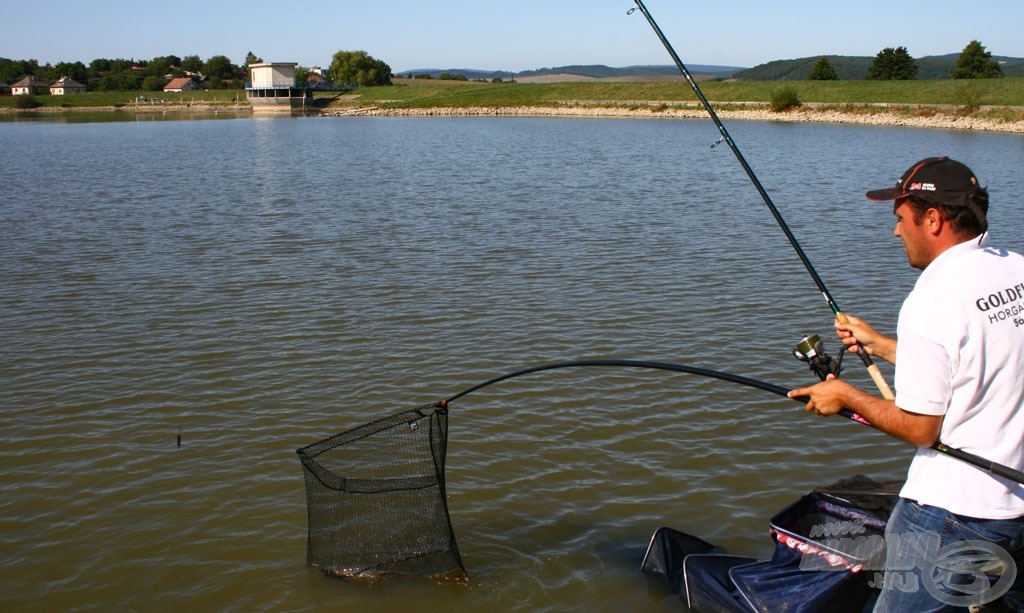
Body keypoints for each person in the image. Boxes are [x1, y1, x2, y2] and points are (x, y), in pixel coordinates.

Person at [788, 156, 1024, 611]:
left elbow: (920, 429)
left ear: (932, 219)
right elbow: (982, 359)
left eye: (901, 219)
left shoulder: (931, 299)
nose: (896, 232)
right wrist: (881, 345)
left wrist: (845, 396)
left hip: (953, 514)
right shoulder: (1015, 269)